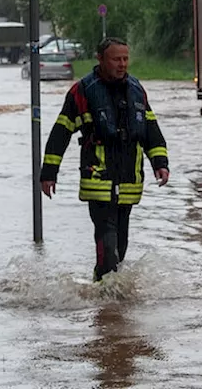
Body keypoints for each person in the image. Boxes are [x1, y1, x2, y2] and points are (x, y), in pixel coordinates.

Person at [39, 37, 170, 282]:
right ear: (100, 59)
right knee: (107, 244)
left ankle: (110, 299)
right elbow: (61, 131)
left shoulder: (136, 89)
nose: (122, 64)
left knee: (121, 244)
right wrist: (48, 173)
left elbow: (151, 130)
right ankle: (105, 302)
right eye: (116, 59)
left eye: (125, 59)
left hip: (129, 181)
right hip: (98, 179)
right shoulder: (83, 91)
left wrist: (160, 163)